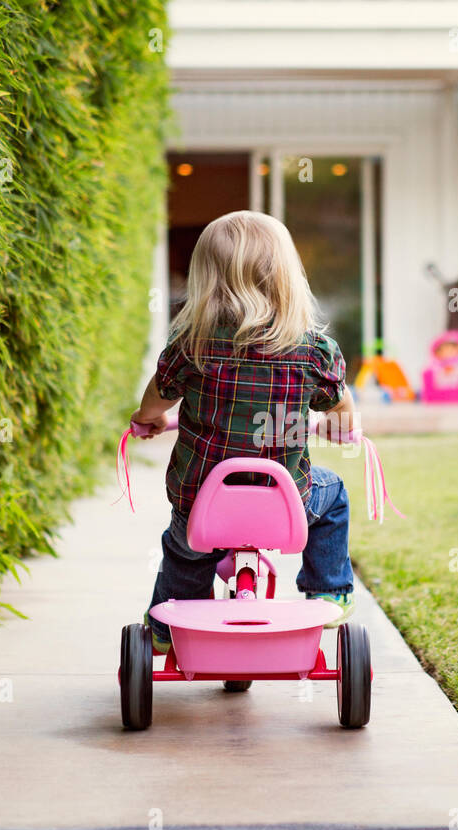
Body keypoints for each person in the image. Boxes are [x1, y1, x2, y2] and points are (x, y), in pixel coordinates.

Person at [131, 211, 358, 652]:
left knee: (183, 549)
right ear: (285, 276)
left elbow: (156, 398)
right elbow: (342, 410)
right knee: (334, 495)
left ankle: (167, 626)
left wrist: (150, 418)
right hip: (286, 506)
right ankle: (328, 589)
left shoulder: (189, 346)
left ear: (205, 279)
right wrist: (341, 427)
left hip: (202, 506)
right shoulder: (313, 351)